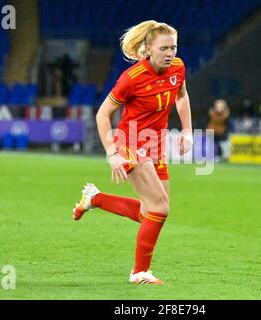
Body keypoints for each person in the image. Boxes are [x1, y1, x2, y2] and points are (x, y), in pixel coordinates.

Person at [72, 21, 193, 285]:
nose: (170, 53)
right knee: (160, 207)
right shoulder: (132, 78)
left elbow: (181, 96)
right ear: (148, 49)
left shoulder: (178, 68)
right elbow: (103, 114)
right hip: (130, 143)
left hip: (155, 146)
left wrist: (187, 131)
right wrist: (112, 153)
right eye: (164, 48)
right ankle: (139, 273)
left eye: (173, 47)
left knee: (149, 212)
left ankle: (96, 199)